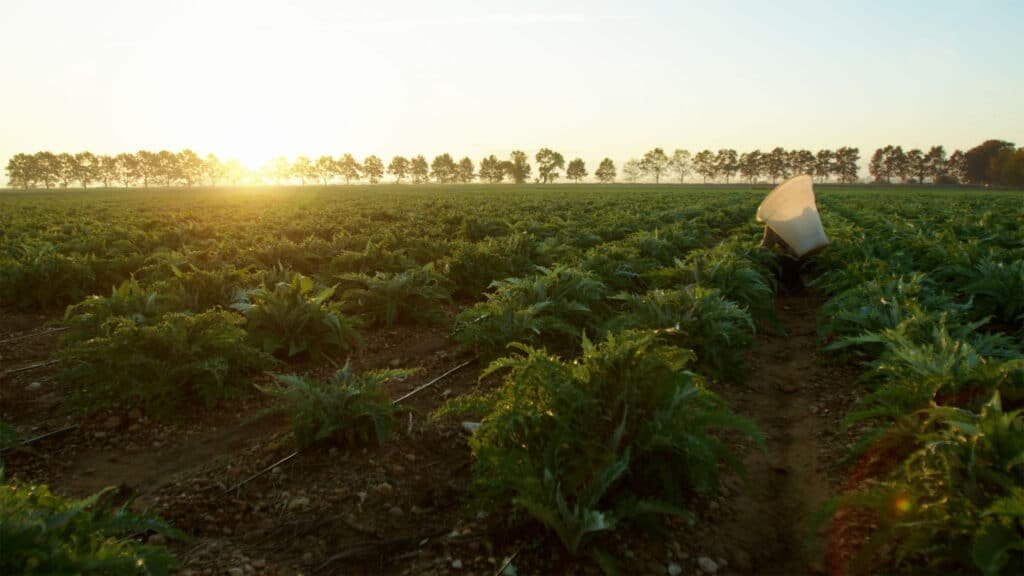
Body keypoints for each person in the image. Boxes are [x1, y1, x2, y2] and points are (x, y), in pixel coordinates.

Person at [760, 225, 805, 293]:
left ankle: (786, 287)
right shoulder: (805, 216)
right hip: (812, 255)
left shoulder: (773, 221)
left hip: (794, 259)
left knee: (774, 261)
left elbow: (767, 245)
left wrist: (757, 256)